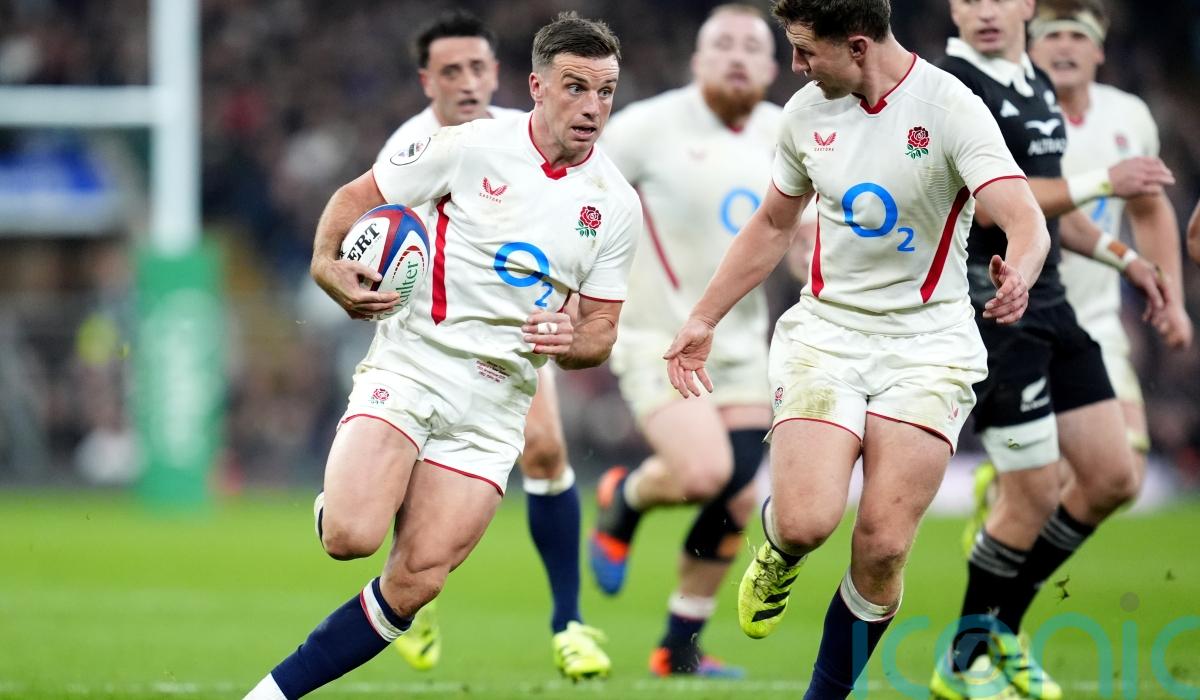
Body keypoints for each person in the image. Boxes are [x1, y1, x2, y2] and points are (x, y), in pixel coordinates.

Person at [244, 13, 639, 699]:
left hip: (496, 407)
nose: (592, 107)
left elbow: (602, 329)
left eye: (605, 91)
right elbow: (357, 197)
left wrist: (571, 341)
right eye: (576, 87)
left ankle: (269, 695)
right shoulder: (468, 147)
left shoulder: (616, 204)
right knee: (349, 538)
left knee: (416, 581)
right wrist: (326, 264)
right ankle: (348, 496)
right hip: (415, 365)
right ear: (537, 87)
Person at [664, 0, 1052, 697]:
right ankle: (780, 548)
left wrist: (1019, 271)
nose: (794, 66)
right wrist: (704, 317)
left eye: (806, 50)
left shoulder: (950, 108)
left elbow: (1024, 218)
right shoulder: (806, 113)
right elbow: (773, 224)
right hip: (828, 336)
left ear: (858, 45)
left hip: (929, 346)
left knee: (883, 544)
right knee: (807, 521)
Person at [932, 0, 1172, 697]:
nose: (984, 11)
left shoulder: (1032, 81)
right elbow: (995, 201)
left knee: (1112, 477)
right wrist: (1104, 182)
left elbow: (1044, 215)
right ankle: (964, 662)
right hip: (997, 306)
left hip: (1055, 303)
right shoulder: (950, 86)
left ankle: (999, 632)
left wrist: (1127, 259)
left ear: (1025, 6)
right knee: (1033, 494)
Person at [369, 10, 609, 678]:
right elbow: (376, 239)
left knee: (547, 448)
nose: (468, 82)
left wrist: (566, 311)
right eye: (452, 71)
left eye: (478, 67)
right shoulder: (413, 145)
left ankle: (568, 623)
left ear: (501, 73)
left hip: (510, 338)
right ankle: (406, 586)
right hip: (423, 341)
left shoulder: (522, 135)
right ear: (427, 80)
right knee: (401, 469)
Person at [587, 3, 781, 678]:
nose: (736, 56)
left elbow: (803, 221)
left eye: (751, 46)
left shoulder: (786, 133)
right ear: (697, 60)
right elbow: (584, 195)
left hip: (741, 342)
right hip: (655, 335)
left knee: (737, 497)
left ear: (774, 66)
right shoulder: (646, 129)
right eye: (722, 44)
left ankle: (678, 649)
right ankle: (627, 497)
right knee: (704, 474)